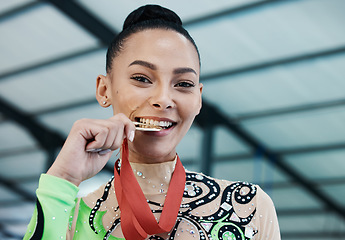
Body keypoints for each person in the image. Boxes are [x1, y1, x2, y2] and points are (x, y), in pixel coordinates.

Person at [24, 4, 280, 240]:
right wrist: (64, 177)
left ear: (198, 100)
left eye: (183, 84)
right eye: (142, 78)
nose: (164, 99)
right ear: (104, 89)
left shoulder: (248, 207)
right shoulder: (70, 216)